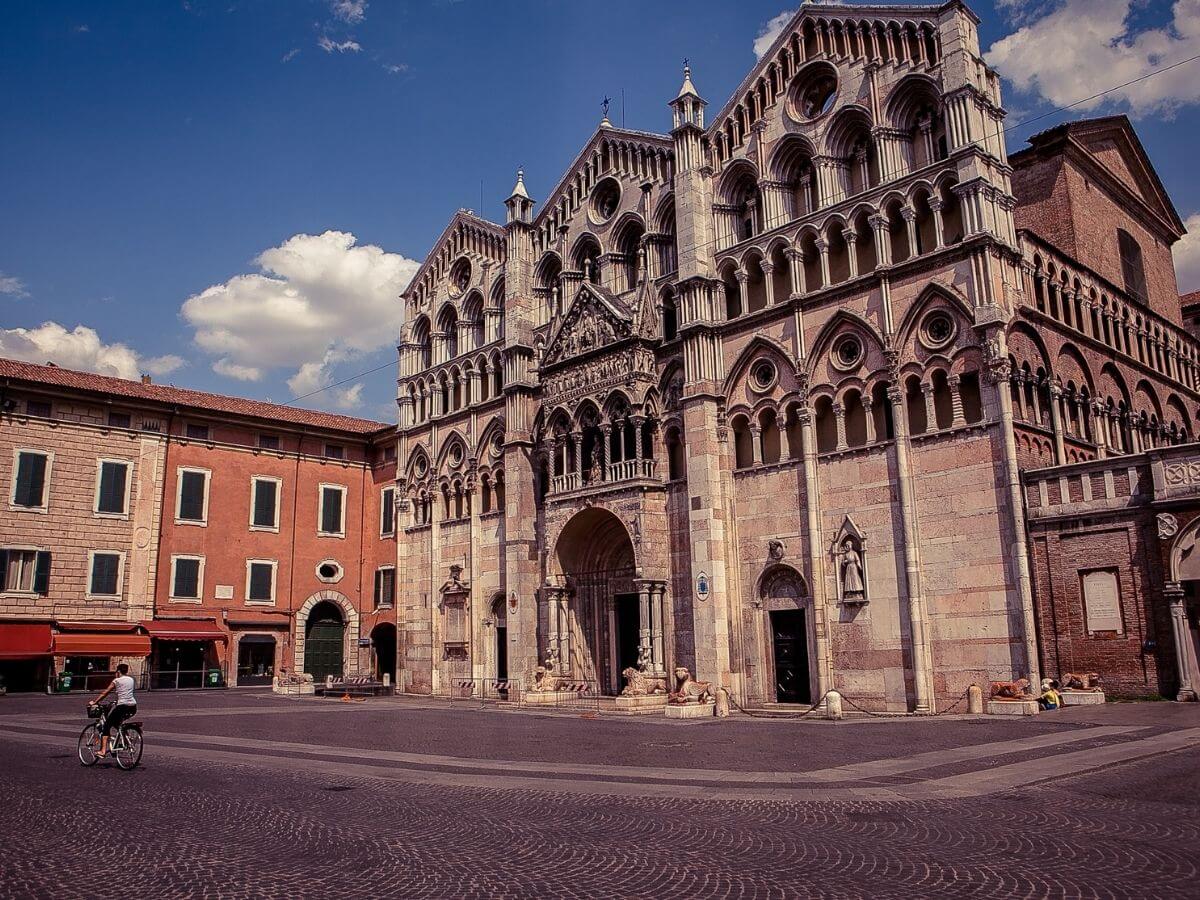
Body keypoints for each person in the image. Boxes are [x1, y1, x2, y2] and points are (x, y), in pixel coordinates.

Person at [90, 663, 137, 758]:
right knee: (117, 723)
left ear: (118, 671)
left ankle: (102, 751)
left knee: (106, 725)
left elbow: (105, 693)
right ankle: (127, 739)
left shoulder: (117, 681)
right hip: (133, 706)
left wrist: (95, 702)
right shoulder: (131, 679)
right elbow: (126, 692)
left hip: (122, 706)